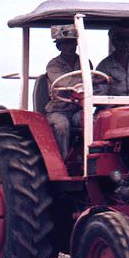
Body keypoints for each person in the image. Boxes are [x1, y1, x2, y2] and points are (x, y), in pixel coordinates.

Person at [45, 24, 86, 158]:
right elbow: (66, 83)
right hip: (58, 110)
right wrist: (87, 82)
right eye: (65, 43)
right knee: (62, 125)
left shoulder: (84, 63)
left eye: (72, 43)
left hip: (78, 109)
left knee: (92, 121)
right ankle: (63, 160)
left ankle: (88, 158)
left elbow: (91, 80)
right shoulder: (53, 65)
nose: (70, 46)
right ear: (59, 46)